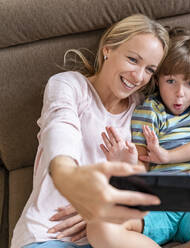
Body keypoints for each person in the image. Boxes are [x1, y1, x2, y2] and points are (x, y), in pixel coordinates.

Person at [86, 28, 190, 248]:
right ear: (157, 79)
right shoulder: (148, 110)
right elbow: (140, 166)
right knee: (99, 225)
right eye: (171, 81)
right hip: (158, 195)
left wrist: (167, 156)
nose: (180, 93)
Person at [11, 14, 170, 248]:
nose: (138, 77)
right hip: (48, 233)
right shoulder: (69, 85)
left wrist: (112, 189)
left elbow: (148, 189)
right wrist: (71, 180)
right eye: (133, 59)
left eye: (149, 69)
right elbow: (60, 132)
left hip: (110, 235)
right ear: (108, 49)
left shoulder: (144, 109)